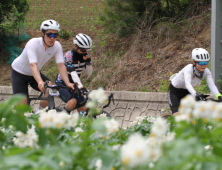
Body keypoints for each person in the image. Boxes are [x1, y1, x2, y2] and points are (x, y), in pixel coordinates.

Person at [11, 19, 74, 111]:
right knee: (23, 102)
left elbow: (61, 65)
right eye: (49, 34)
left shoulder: (57, 46)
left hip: (34, 74)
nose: (52, 38)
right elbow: (33, 64)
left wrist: (68, 83)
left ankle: (38, 112)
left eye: (55, 35)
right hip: (19, 73)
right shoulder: (33, 43)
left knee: (49, 87)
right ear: (42, 34)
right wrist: (40, 82)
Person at [167, 48, 222, 114]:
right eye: (201, 63)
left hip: (186, 91)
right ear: (194, 62)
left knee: (194, 112)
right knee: (177, 114)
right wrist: (195, 94)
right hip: (175, 92)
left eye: (206, 62)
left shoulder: (206, 72)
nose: (204, 65)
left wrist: (218, 95)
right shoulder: (189, 69)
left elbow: (211, 84)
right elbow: (188, 84)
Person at [55, 33, 93, 114]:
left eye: (86, 50)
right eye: (82, 49)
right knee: (73, 102)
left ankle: (81, 125)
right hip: (62, 83)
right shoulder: (69, 56)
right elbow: (73, 73)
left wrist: (88, 63)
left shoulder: (85, 55)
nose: (84, 52)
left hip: (74, 84)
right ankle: (61, 118)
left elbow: (89, 74)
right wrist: (81, 87)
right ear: (75, 46)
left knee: (83, 107)